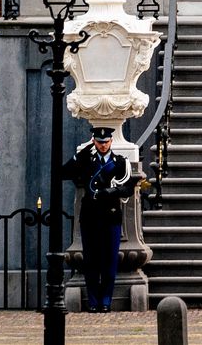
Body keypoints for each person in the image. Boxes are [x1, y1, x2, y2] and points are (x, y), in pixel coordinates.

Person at [61, 125, 135, 313]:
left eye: (106, 141)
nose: (103, 145)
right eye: (99, 142)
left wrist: (113, 191)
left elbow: (128, 188)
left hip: (111, 217)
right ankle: (93, 301)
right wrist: (81, 154)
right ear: (94, 141)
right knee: (91, 262)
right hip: (90, 217)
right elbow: (64, 173)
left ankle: (106, 301)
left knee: (109, 262)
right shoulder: (87, 160)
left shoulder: (119, 162)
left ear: (111, 141)